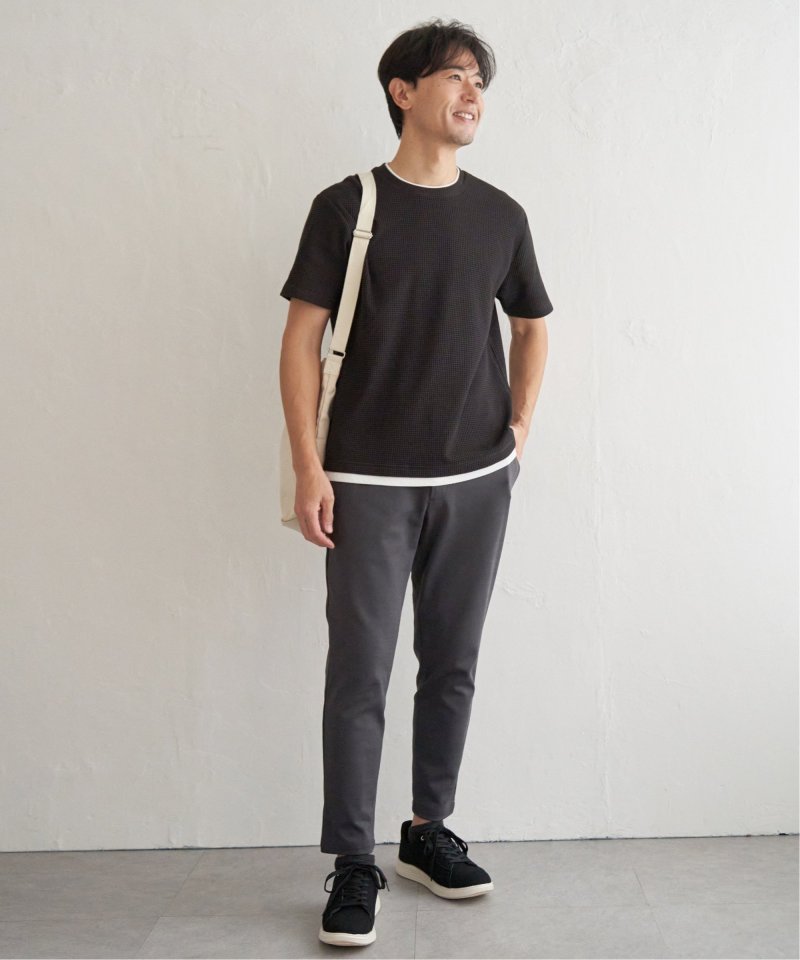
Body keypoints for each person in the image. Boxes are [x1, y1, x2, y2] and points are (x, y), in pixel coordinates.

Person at [279, 16, 553, 948]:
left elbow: (533, 324)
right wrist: (308, 467)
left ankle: (427, 831)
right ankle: (353, 859)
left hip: (478, 477)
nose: (473, 93)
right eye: (454, 76)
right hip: (363, 479)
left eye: (480, 81)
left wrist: (517, 432)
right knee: (359, 673)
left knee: (452, 662)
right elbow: (301, 339)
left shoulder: (501, 215)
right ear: (403, 91)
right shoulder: (346, 206)